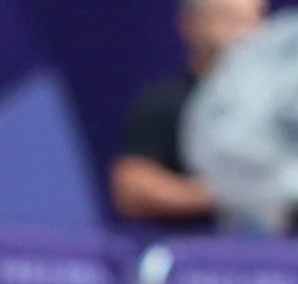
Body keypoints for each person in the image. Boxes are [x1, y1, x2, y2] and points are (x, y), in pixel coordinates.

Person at [111, 0, 265, 226]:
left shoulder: (284, 106)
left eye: (251, 19)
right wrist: (222, 194)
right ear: (190, 24)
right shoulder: (166, 101)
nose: (242, 32)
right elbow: (131, 187)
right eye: (226, 18)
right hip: (194, 253)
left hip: (278, 254)